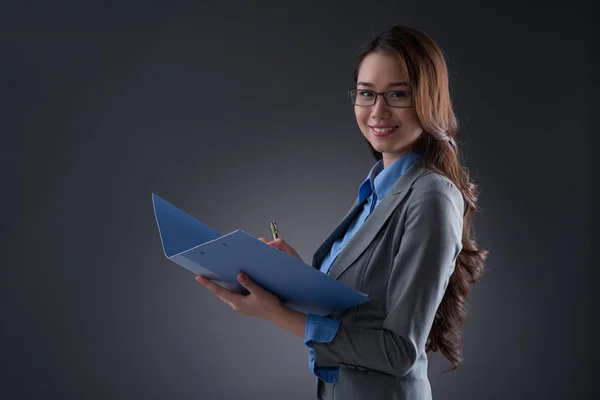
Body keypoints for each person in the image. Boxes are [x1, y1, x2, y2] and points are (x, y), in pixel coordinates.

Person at [195, 24, 488, 400]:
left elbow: (398, 352)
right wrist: (293, 277)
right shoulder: (376, 189)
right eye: (367, 94)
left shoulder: (431, 195)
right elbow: (356, 313)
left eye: (398, 94)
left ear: (428, 100)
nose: (378, 111)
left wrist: (274, 313)